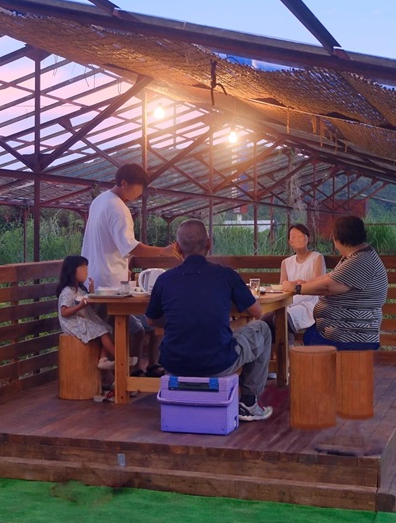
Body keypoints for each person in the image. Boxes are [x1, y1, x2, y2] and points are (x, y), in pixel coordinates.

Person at [145, 219, 273, 421]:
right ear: (209, 243)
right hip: (217, 363)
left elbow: (151, 321)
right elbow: (256, 311)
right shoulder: (226, 275)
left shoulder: (165, 280)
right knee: (263, 329)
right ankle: (249, 402)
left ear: (177, 248)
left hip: (175, 364)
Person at [81, 163, 179, 372]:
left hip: (93, 278)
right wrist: (164, 251)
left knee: (125, 330)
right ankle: (122, 379)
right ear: (124, 183)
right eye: (138, 188)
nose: (139, 193)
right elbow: (130, 246)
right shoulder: (119, 208)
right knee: (121, 330)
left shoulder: (99, 201)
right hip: (110, 285)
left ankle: (132, 373)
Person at [280, 215, 388, 350]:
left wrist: (297, 288)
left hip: (352, 335)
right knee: (297, 329)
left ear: (338, 240)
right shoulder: (356, 255)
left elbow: (328, 287)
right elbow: (330, 277)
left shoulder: (359, 261)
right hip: (345, 330)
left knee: (295, 329)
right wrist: (305, 282)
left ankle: (284, 366)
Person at [55, 255, 120, 370]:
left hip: (81, 320)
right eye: (83, 267)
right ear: (72, 270)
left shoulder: (80, 290)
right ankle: (120, 359)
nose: (86, 271)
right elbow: (64, 312)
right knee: (103, 331)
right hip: (72, 324)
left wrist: (91, 293)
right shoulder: (67, 292)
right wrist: (80, 306)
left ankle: (103, 359)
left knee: (107, 328)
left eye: (87, 267)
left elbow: (89, 306)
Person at [279, 224, 326, 341]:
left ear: (308, 239)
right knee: (271, 317)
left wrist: (301, 284)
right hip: (290, 302)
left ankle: (287, 354)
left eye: (301, 236)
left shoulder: (317, 258)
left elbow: (319, 283)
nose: (298, 239)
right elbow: (282, 287)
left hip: (311, 303)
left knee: (285, 317)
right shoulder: (286, 262)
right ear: (290, 242)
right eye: (294, 237)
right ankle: (284, 353)